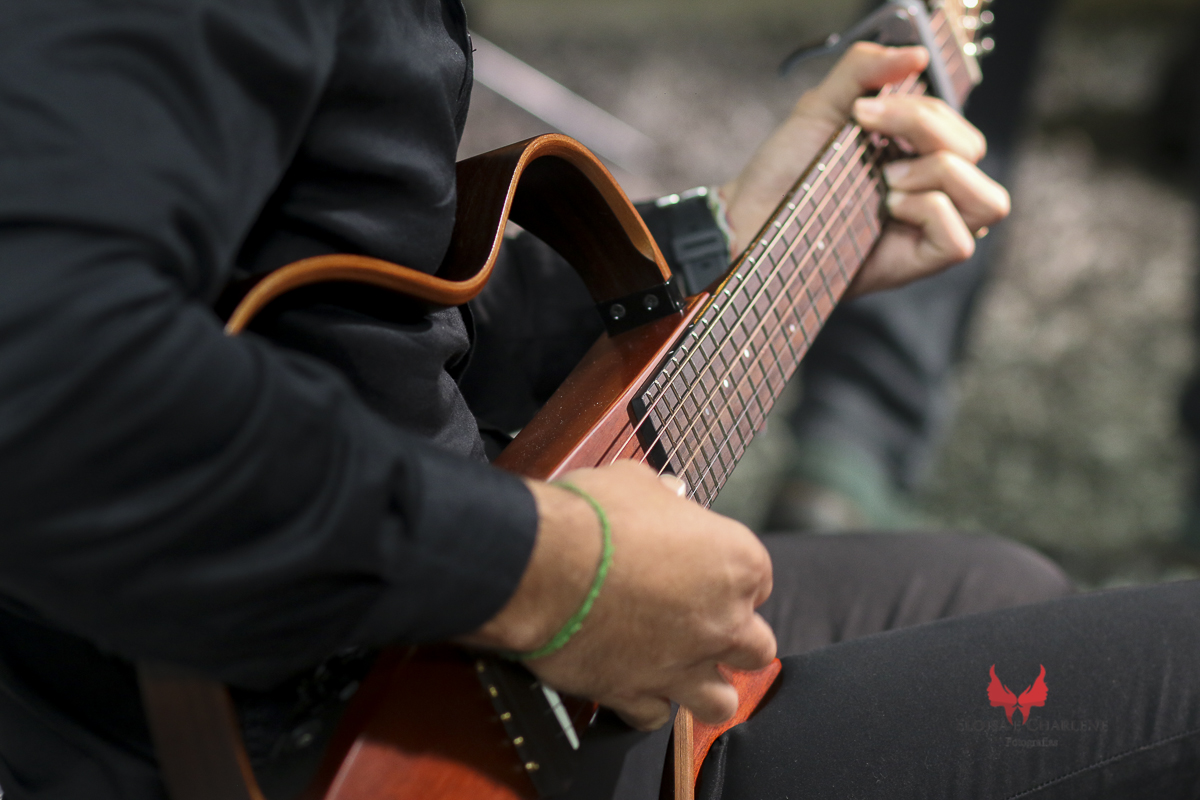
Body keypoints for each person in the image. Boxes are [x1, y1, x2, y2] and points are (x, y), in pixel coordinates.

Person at [2, 3, 1185, 800]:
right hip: (328, 733)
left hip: (399, 627)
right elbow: (46, 367)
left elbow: (359, 315)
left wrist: (729, 238)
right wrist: (556, 573)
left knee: (996, 586)